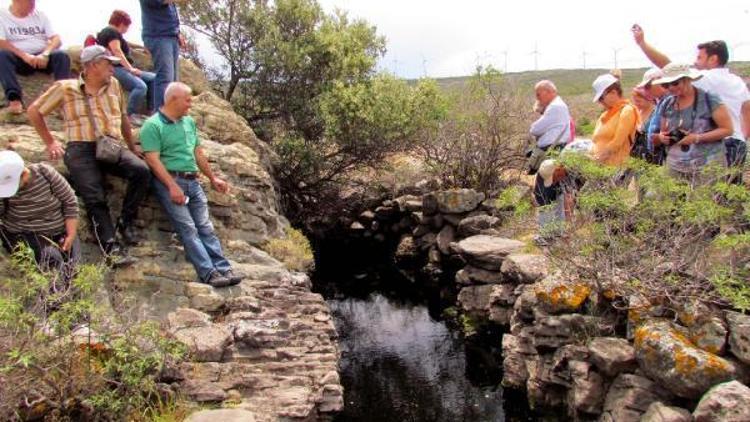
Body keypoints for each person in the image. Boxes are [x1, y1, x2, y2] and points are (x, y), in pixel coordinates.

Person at [27, 45, 151, 264]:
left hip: (110, 145)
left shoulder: (114, 85)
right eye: (108, 64)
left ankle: (126, 222)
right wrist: (50, 141)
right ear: (93, 65)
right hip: (80, 147)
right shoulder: (65, 88)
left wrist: (131, 147)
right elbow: (34, 111)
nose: (113, 68)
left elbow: (123, 118)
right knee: (94, 195)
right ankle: (110, 248)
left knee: (141, 171)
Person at [140, 82, 243, 288]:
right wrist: (171, 186)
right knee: (188, 229)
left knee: (205, 227)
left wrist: (213, 178)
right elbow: (152, 160)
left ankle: (223, 268)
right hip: (171, 181)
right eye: (187, 99)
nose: (190, 104)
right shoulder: (152, 126)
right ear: (173, 99)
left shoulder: (188, 122)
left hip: (193, 181)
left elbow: (198, 153)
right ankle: (208, 273)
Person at [632, 24, 750, 181]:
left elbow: (668, 66)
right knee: (729, 193)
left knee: (709, 196)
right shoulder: (737, 82)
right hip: (738, 144)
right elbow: (747, 110)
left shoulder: (706, 79)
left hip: (716, 145)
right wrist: (742, 136)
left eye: (699, 57)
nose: (696, 62)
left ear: (713, 59)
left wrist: (642, 43)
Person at [0, 150, 79, 286]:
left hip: (60, 230)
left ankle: (73, 302)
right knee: (53, 262)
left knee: (74, 268)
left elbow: (70, 201)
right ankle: (53, 304)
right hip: (27, 233)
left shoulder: (45, 173)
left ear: (24, 174)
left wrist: (71, 235)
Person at [652, 63, 733, 185]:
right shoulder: (667, 103)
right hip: (675, 164)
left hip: (707, 164)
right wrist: (662, 137)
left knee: (702, 201)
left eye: (675, 83)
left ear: (687, 79)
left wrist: (696, 138)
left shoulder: (709, 99)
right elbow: (661, 132)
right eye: (666, 85)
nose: (671, 88)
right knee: (657, 197)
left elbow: (727, 129)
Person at [0, 0, 70, 114]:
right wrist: (24, 56)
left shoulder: (40, 15)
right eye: (30, 2)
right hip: (18, 57)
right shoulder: (2, 15)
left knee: (61, 56)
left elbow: (56, 39)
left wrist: (45, 54)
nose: (33, 4)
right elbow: (1, 42)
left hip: (41, 56)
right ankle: (14, 99)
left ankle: (62, 99)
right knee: (2, 55)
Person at [96, 10, 156, 126]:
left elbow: (125, 44)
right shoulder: (111, 32)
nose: (126, 30)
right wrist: (130, 69)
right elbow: (117, 51)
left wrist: (142, 48)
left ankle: (151, 111)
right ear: (122, 24)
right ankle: (129, 115)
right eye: (126, 27)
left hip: (123, 68)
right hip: (116, 68)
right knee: (140, 87)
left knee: (153, 78)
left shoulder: (112, 33)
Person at [529, 80, 573, 214]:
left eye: (538, 94)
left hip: (551, 152)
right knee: (555, 190)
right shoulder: (557, 106)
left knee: (543, 192)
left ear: (549, 92)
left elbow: (535, 129)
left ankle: (549, 232)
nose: (537, 98)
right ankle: (555, 230)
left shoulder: (555, 107)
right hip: (556, 151)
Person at [139, 0, 185, 110]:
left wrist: (177, 32)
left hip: (170, 36)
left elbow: (170, 14)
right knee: (165, 78)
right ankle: (161, 115)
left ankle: (172, 113)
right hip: (158, 36)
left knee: (173, 81)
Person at [591, 72, 638, 166]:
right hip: (600, 168)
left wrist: (597, 159)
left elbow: (617, 143)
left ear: (613, 92)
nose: (600, 102)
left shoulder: (627, 111)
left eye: (601, 98)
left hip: (617, 169)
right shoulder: (604, 115)